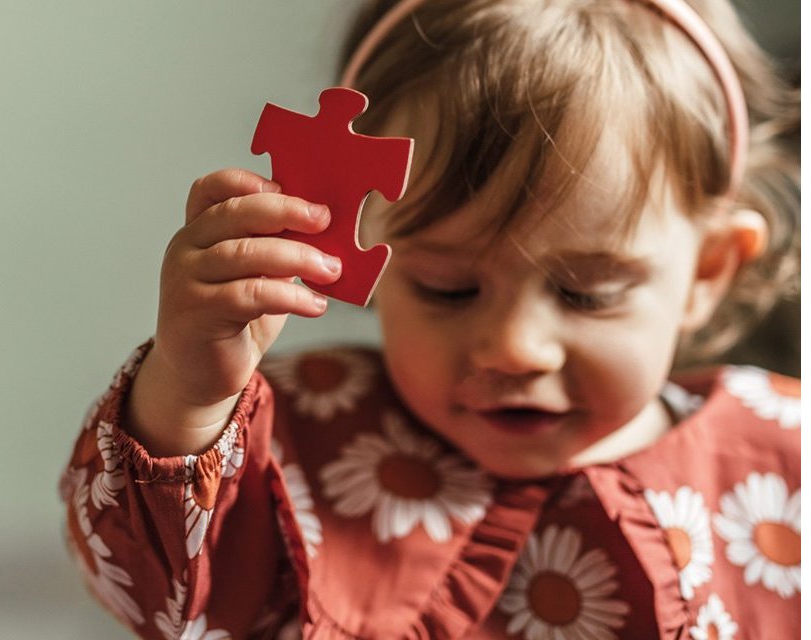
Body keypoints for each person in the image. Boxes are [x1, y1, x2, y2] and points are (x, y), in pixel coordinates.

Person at [59, 0, 800, 637]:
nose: (514, 348)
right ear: (360, 248)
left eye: (587, 294)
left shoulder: (781, 459)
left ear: (709, 271)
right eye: (447, 288)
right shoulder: (299, 436)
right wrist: (189, 391)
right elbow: (150, 595)